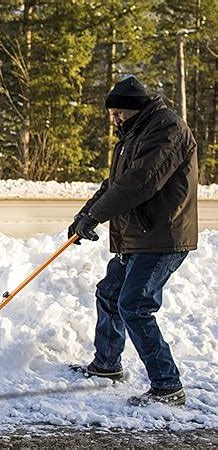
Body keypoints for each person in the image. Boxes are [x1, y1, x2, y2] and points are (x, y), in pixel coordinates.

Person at [68, 75, 198, 407]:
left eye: (118, 113)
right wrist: (85, 214)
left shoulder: (167, 130)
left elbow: (141, 182)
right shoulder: (134, 134)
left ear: (134, 108)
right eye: (112, 114)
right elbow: (115, 182)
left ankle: (168, 386)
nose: (114, 119)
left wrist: (96, 216)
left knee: (135, 306)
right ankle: (107, 366)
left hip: (162, 236)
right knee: (110, 294)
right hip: (138, 235)